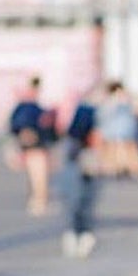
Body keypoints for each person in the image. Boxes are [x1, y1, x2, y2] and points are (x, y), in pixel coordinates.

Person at [56, 87, 100, 257]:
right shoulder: (87, 109)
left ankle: (79, 234)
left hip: (80, 155)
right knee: (80, 199)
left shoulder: (85, 109)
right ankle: (80, 234)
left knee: (79, 199)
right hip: (80, 156)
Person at [8, 75, 54, 216]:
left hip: (36, 146)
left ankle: (39, 199)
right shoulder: (30, 108)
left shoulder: (28, 107)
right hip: (35, 146)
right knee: (38, 175)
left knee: (38, 175)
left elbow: (14, 126)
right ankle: (39, 200)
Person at [96, 81, 138, 179]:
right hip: (126, 127)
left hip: (115, 128)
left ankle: (114, 169)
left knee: (114, 149)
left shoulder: (112, 99)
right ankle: (132, 169)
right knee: (129, 149)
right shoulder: (127, 97)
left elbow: (103, 114)